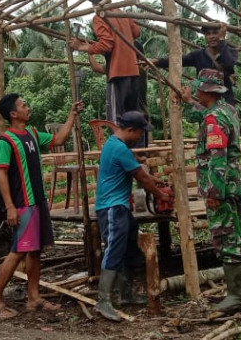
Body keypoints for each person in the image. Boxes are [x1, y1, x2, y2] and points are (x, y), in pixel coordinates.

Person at [0, 94, 84, 319]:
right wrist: (9, 206)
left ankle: (34, 297)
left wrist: (72, 115)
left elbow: (58, 139)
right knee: (18, 251)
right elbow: (1, 174)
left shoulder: (32, 134)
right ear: (13, 114)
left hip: (37, 202)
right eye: (24, 105)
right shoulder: (5, 142)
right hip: (22, 204)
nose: (28, 108)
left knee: (35, 251)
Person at [93, 111, 172, 322]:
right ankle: (103, 301)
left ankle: (126, 294)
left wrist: (151, 176)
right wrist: (161, 194)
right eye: (139, 132)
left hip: (120, 207)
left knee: (128, 247)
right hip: (112, 207)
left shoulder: (115, 145)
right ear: (130, 130)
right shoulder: (119, 149)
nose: (140, 137)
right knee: (113, 249)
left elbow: (141, 173)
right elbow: (143, 179)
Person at [193, 69, 241, 311]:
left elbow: (217, 157)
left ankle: (236, 296)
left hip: (222, 187)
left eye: (198, 89)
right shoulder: (229, 110)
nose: (196, 93)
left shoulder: (214, 119)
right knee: (236, 234)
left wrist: (214, 192)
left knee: (226, 239)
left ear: (207, 91)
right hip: (235, 184)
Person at [69, 0, 142, 123]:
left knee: (117, 118)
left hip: (118, 72)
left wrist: (82, 47)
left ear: (98, 5)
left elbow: (107, 44)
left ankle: (118, 143)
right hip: (134, 70)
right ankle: (135, 144)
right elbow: (136, 32)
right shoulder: (123, 14)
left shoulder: (100, 17)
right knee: (132, 116)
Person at [153, 22, 239, 104]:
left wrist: (222, 41)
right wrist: (156, 61)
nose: (211, 36)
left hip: (226, 104)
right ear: (205, 36)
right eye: (208, 34)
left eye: (215, 33)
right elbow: (177, 61)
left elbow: (229, 64)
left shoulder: (230, 52)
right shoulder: (198, 55)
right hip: (206, 105)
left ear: (221, 34)